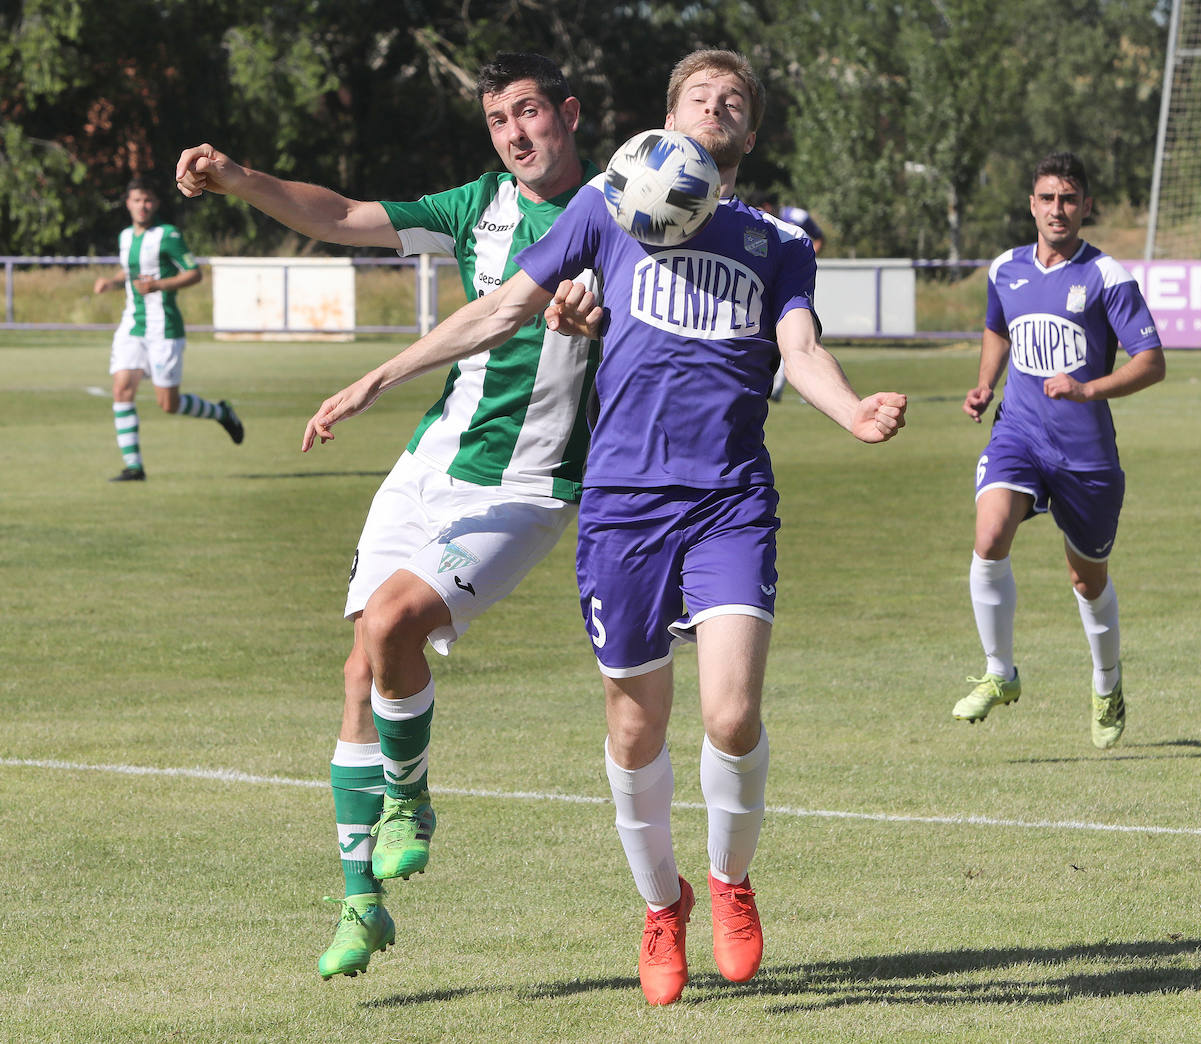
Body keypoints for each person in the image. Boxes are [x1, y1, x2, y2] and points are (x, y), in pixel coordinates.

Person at [298, 49, 907, 1005]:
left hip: (728, 500)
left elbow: (801, 347)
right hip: (620, 506)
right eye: (700, 96)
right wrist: (379, 377)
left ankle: (731, 884)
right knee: (635, 730)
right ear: (669, 118)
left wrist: (852, 409)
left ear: (748, 134)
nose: (717, 107)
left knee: (732, 714)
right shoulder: (611, 206)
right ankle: (662, 908)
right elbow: (504, 308)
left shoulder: (778, 243)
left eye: (734, 101)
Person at [174, 52, 600, 981]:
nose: (515, 135)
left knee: (391, 621)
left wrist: (600, 322)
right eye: (498, 121)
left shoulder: (622, 211)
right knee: (359, 665)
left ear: (567, 112)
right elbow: (340, 217)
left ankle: (411, 794)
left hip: (526, 486)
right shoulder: (475, 206)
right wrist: (238, 176)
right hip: (430, 464)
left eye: (528, 113)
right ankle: (360, 902)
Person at [954, 151, 1165, 750]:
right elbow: (998, 328)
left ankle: (1107, 684)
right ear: (1031, 205)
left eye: (1069, 199)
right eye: (1047, 198)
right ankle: (1000, 673)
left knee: (1086, 579)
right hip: (1017, 432)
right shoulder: (1006, 269)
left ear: (1086, 207)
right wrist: (985, 384)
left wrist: (1087, 387)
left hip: (1085, 453)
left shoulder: (1107, 276)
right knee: (989, 536)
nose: (1057, 210)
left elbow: (1152, 362)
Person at [93, 176, 243, 481]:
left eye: (148, 200)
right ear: (128, 204)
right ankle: (133, 467)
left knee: (168, 404)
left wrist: (159, 284)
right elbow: (131, 267)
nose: (142, 206)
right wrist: (112, 281)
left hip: (164, 327)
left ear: (156, 204)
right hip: (132, 325)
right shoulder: (125, 237)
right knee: (121, 388)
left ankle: (221, 413)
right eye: (137, 200)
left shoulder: (168, 235)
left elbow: (194, 273)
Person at [753, 192, 824, 400]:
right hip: (771, 279)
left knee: (800, 332)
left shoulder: (797, 217)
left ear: (767, 205)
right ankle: (781, 387)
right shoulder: (757, 222)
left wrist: (801, 264)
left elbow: (819, 238)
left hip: (794, 282)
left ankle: (803, 387)